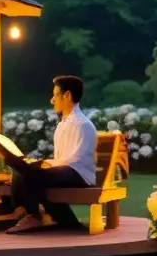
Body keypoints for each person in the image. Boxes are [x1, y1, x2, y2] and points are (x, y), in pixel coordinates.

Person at [6, 75, 96, 234]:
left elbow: (76, 160)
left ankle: (33, 215)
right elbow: (60, 159)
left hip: (79, 174)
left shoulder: (83, 125)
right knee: (21, 167)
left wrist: (48, 165)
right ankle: (62, 220)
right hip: (65, 170)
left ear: (67, 95)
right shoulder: (62, 125)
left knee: (33, 174)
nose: (52, 100)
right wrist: (45, 164)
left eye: (55, 95)